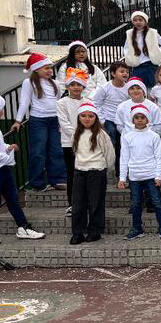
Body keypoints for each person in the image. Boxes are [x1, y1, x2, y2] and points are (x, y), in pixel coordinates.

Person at [0, 94, 45, 244]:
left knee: (13, 200)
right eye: (1, 109)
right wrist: (7, 157)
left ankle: (23, 227)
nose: (3, 111)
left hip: (2, 168)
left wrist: (7, 147)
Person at [10, 53, 66, 191]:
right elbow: (24, 102)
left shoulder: (55, 83)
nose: (49, 71)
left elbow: (59, 101)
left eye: (50, 68)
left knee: (57, 150)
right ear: (36, 69)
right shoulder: (28, 82)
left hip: (55, 120)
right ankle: (37, 182)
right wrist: (18, 120)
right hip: (38, 121)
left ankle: (58, 179)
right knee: (38, 151)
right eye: (46, 68)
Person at [118, 104, 161, 241]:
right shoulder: (127, 136)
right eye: (137, 117)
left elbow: (159, 157)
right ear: (132, 120)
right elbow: (124, 158)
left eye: (142, 117)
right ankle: (137, 229)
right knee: (136, 204)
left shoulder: (154, 136)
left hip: (151, 176)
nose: (140, 120)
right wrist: (122, 178)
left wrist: (158, 176)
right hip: (134, 177)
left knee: (157, 202)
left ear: (147, 119)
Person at [69, 100, 114, 244]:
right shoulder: (76, 133)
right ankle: (78, 232)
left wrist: (105, 169)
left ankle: (95, 231)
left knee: (96, 202)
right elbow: (75, 151)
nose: (87, 119)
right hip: (80, 171)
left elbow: (110, 154)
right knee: (78, 203)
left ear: (95, 118)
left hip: (97, 171)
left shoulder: (101, 134)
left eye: (90, 116)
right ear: (79, 117)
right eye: (83, 116)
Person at [57, 69, 88, 216]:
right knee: (72, 174)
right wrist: (79, 135)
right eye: (72, 84)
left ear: (83, 86)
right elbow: (64, 123)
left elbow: (92, 120)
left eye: (79, 84)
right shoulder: (62, 103)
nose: (76, 87)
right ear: (68, 86)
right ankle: (72, 204)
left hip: (86, 143)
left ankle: (86, 202)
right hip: (69, 143)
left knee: (86, 172)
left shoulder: (88, 102)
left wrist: (86, 137)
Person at [123, 11, 161, 89]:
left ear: (145, 21)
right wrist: (129, 56)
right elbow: (126, 48)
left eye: (140, 20)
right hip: (137, 67)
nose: (138, 22)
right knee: (137, 88)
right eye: (135, 20)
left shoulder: (152, 32)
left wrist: (158, 52)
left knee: (153, 89)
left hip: (151, 66)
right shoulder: (130, 34)